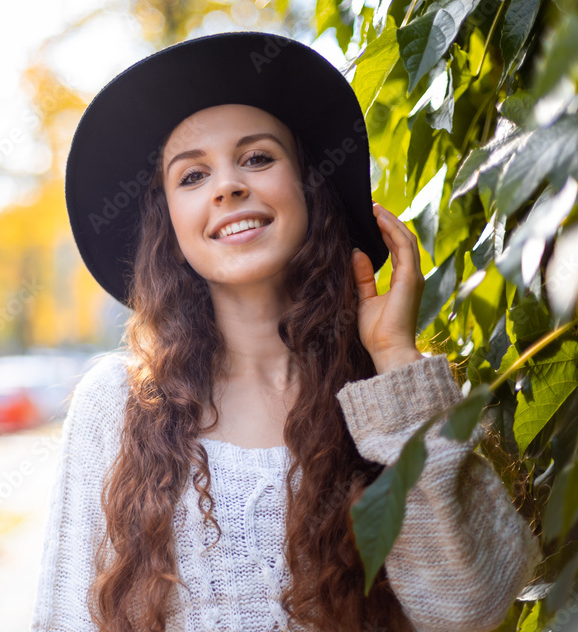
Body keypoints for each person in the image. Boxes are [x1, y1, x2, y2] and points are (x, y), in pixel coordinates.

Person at [30, 31, 540, 632]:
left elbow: (472, 607)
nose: (227, 186)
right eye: (192, 177)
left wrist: (395, 357)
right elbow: (65, 620)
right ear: (168, 222)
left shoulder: (382, 396)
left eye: (257, 158)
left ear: (308, 187)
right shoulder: (118, 405)